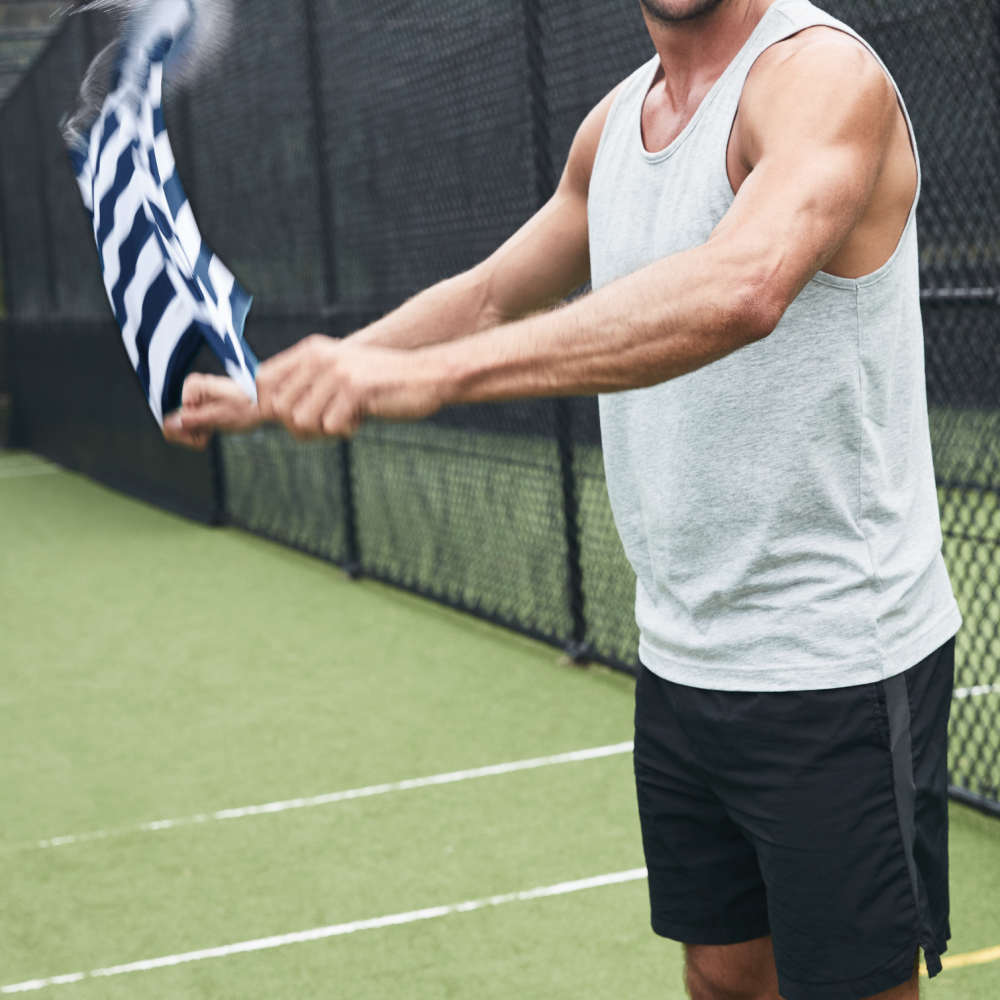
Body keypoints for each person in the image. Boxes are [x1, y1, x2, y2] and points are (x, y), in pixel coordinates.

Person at [163, 0, 963, 997]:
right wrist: (284, 384)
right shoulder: (613, 126)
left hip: (836, 661)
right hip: (679, 654)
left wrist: (426, 378)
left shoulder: (819, 77)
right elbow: (491, 296)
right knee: (720, 977)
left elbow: (742, 284)